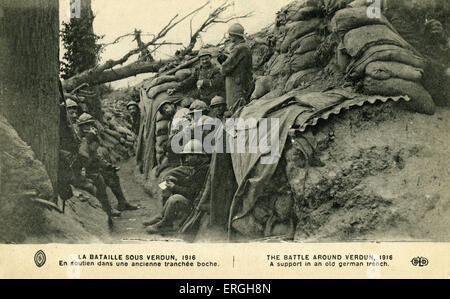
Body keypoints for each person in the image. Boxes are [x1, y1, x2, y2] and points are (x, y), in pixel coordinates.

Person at [144, 139, 210, 234]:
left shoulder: (203, 171)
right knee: (165, 185)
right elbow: (190, 183)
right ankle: (163, 215)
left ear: (198, 156)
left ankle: (166, 224)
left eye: (190, 155)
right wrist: (178, 181)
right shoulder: (198, 167)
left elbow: (192, 193)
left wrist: (175, 187)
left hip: (194, 203)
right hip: (192, 197)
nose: (187, 159)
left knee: (174, 199)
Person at [217, 23, 254, 114]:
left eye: (230, 35)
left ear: (234, 36)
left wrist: (220, 64)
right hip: (242, 81)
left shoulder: (239, 48)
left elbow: (225, 69)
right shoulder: (244, 46)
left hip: (236, 83)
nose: (229, 37)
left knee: (235, 107)